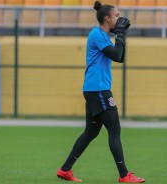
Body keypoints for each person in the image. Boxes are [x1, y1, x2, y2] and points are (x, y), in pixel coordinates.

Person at [57, 1, 145, 183]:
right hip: (99, 90)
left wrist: (121, 35)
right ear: (107, 18)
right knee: (115, 130)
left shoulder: (102, 35)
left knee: (91, 132)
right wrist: (119, 34)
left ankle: (65, 170)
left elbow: (119, 57)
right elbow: (114, 54)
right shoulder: (97, 34)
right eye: (117, 16)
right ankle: (124, 175)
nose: (119, 19)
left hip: (94, 89)